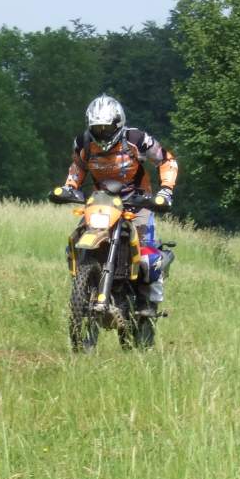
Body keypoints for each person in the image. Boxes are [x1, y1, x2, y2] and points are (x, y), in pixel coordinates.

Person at [59, 95, 179, 315]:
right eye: (97, 129)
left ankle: (148, 300)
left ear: (118, 123)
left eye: (106, 128)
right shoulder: (83, 143)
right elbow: (77, 167)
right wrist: (69, 186)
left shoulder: (137, 139)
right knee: (75, 242)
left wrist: (166, 191)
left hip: (138, 202)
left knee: (145, 254)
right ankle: (85, 287)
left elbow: (166, 160)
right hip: (103, 202)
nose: (101, 133)